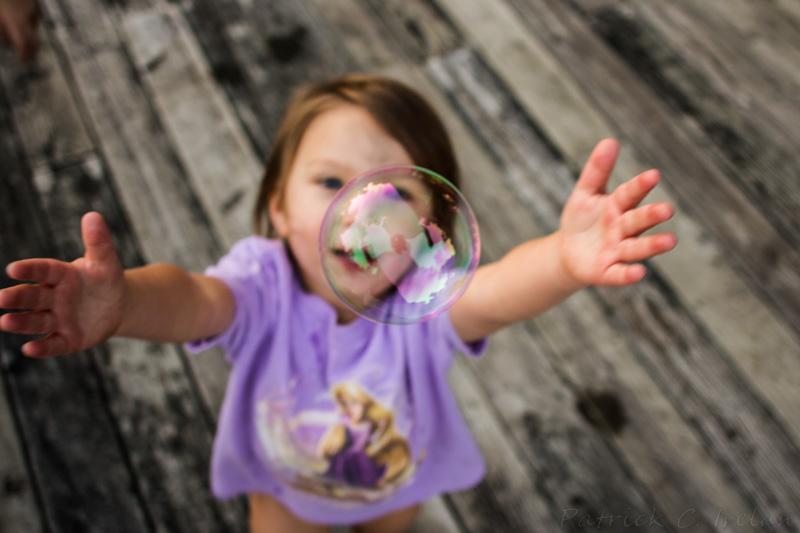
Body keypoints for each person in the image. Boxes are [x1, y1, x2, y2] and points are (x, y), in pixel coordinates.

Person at [0, 74, 677, 532]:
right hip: (284, 479)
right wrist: (126, 305)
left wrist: (561, 257)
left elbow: (496, 293)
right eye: (331, 181)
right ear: (278, 204)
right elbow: (193, 301)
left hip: (393, 477)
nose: (364, 211)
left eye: (396, 193)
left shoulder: (424, 298)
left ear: (430, 229)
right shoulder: (261, 283)